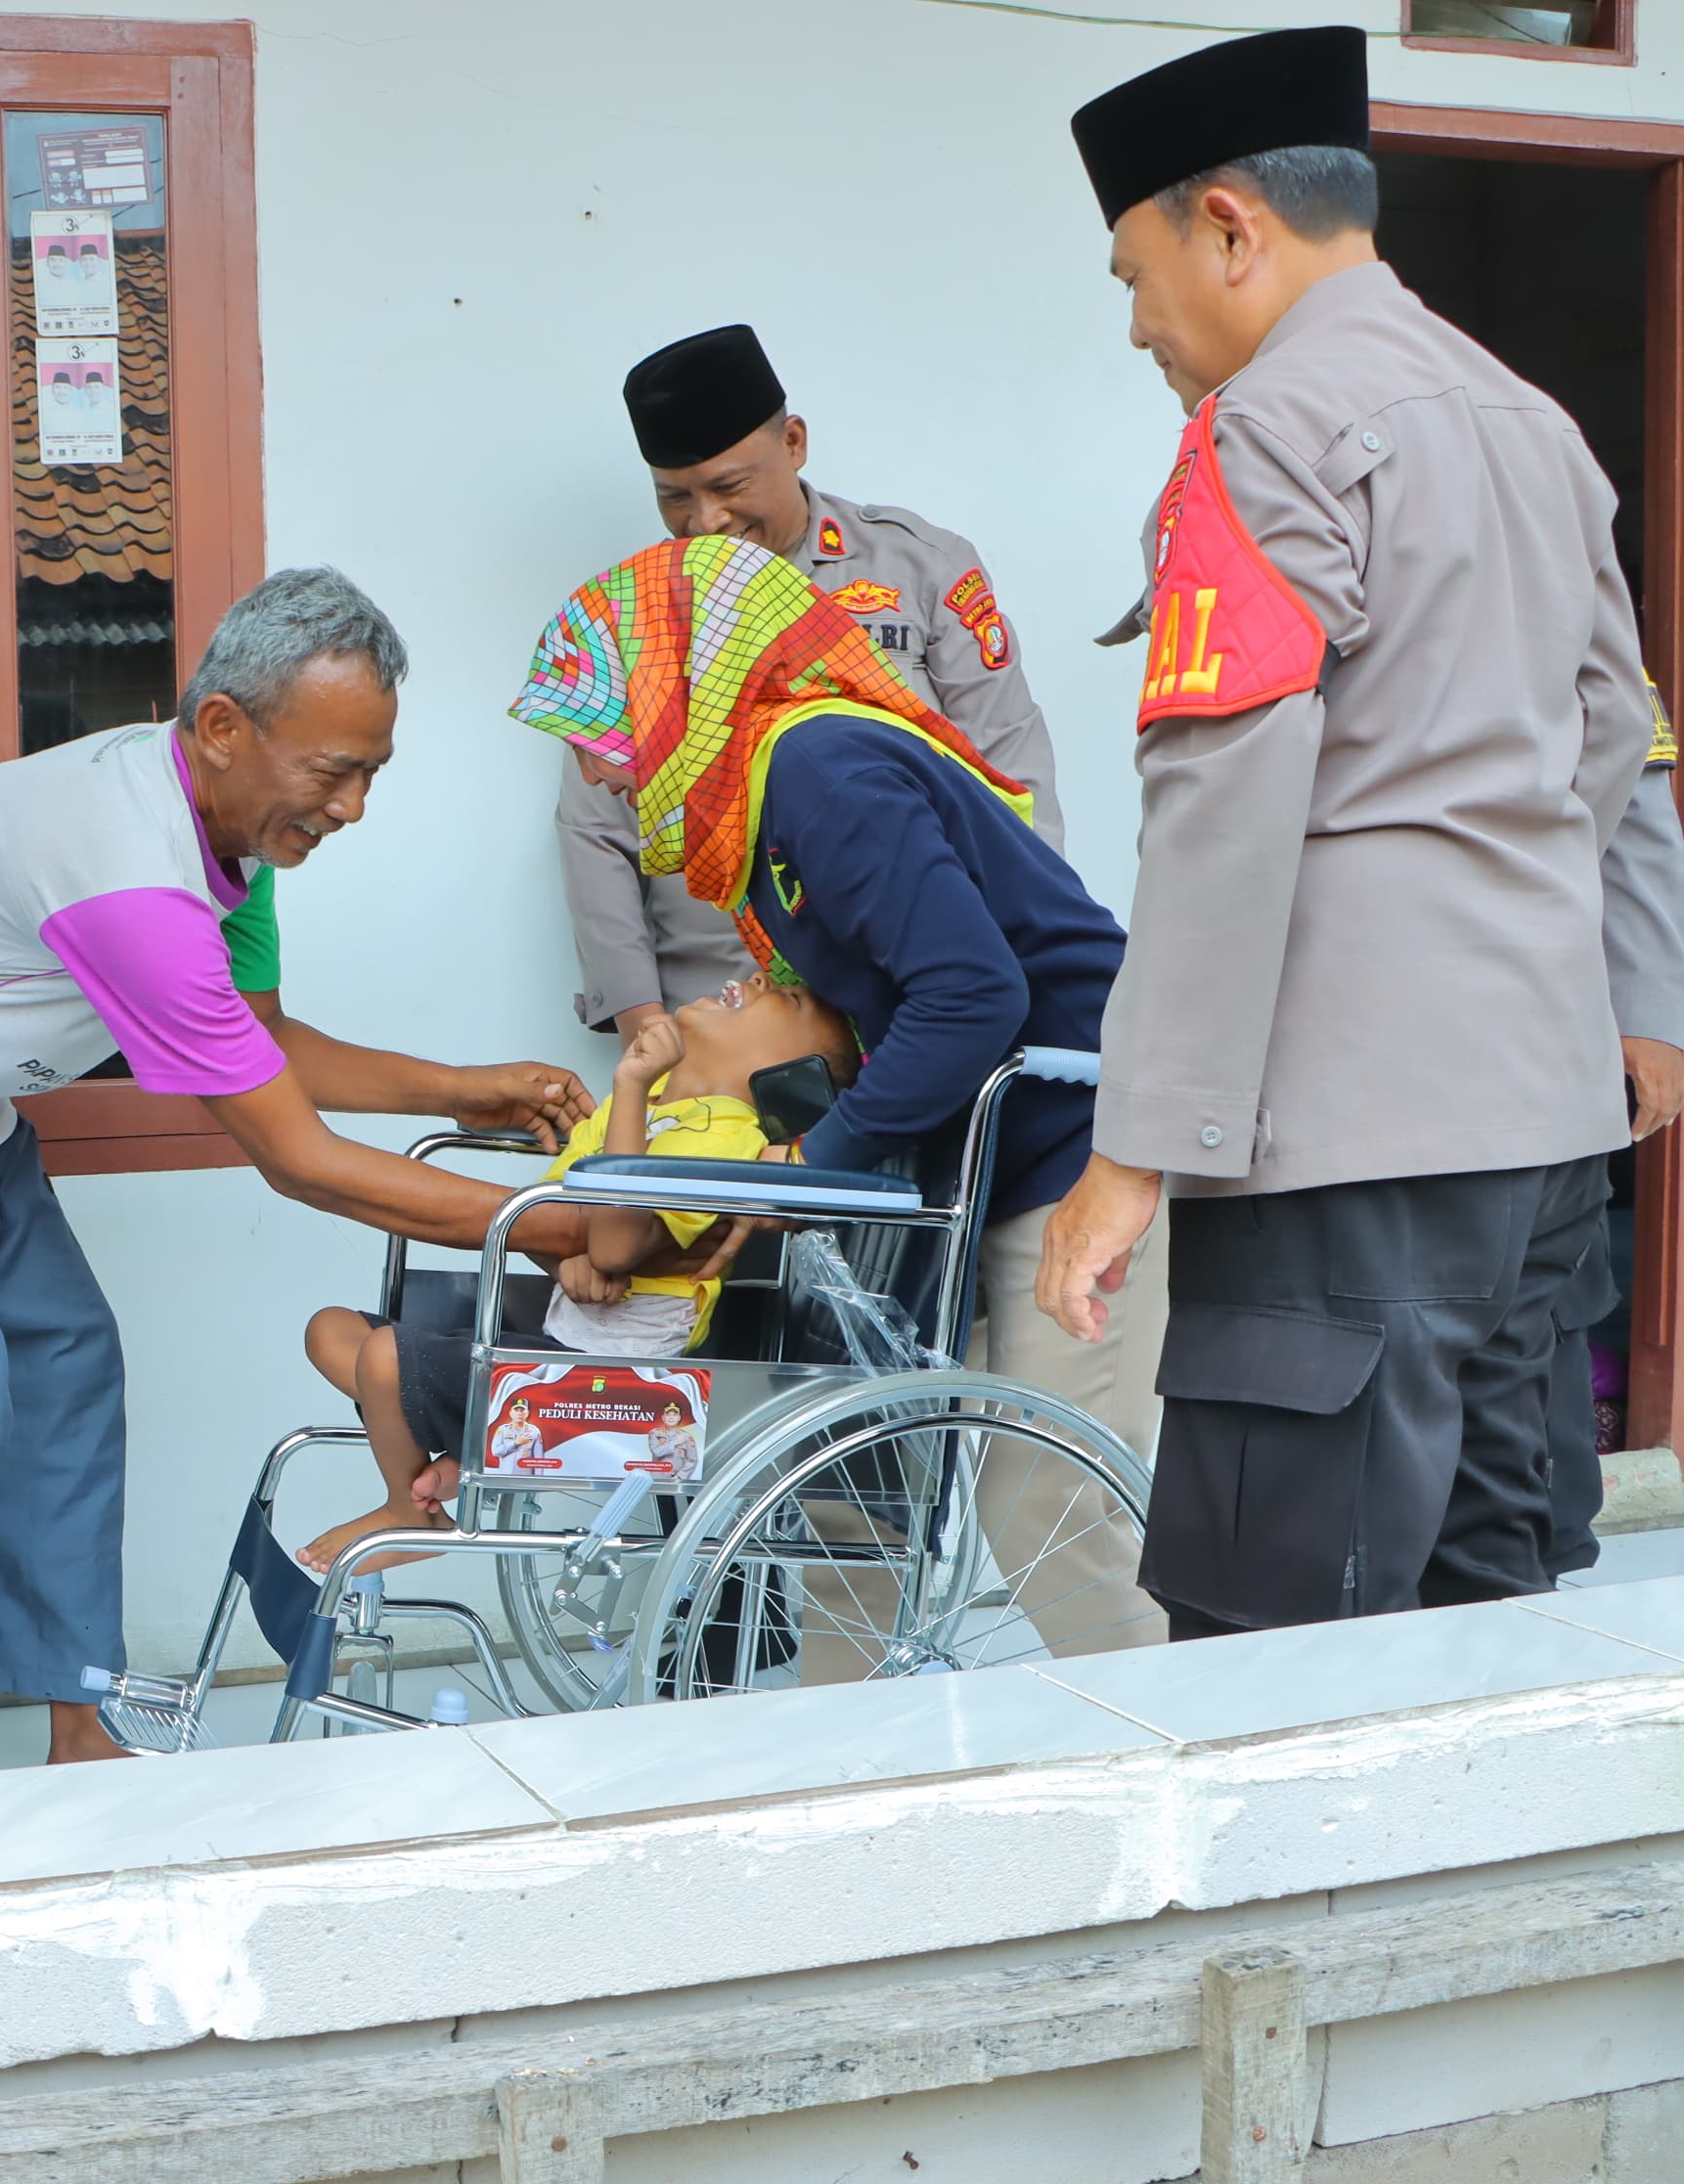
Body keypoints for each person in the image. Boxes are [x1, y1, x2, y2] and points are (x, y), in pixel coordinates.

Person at [0, 566, 613, 1781]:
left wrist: (462, 1086)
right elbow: (294, 1156)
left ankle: (81, 1720)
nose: (352, 806)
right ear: (221, 728)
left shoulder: (231, 841)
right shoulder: (130, 876)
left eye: (373, 773)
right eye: (333, 771)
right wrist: (552, 1226)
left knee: (67, 1362)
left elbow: (265, 1042)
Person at [1035, 28, 1657, 1638]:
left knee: (1282, 1631)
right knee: (1489, 1591)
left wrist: (1131, 1151)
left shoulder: (1261, 432)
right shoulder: (1532, 420)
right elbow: (1617, 744)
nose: (1135, 327)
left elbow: (1224, 810)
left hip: (1341, 1136)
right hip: (1541, 1121)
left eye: (1135, 271)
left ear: (1230, 227)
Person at [518, 531, 1167, 1656]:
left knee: (1041, 1510)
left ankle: (1191, 1770)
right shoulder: (765, 799)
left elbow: (972, 995)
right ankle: (836, 1791)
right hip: (943, 1161)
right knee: (848, 1506)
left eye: (603, 732)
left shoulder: (822, 773)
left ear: (682, 686)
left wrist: (816, 1162)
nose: (599, 771)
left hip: (1068, 1151)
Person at [560, 324, 1071, 1044]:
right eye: (674, 497)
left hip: (918, 998)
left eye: (728, 486)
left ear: (794, 442)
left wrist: (1010, 973)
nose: (705, 522)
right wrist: (646, 1023)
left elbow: (1011, 774)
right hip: (728, 1022)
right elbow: (595, 833)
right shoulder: (633, 612)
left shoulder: (923, 570)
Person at [295, 976, 859, 1574]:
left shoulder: (731, 1137)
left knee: (383, 1357)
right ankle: (460, 1463)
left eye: (792, 998)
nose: (758, 977)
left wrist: (632, 1084)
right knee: (330, 1331)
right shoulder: (644, 1103)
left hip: (625, 1377)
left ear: (792, 1072)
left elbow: (614, 1246)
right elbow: (546, 1216)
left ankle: (408, 1507)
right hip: (564, 1339)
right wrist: (567, 1260)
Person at [1542, 680, 1684, 1578]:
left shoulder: (1573, 588)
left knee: (1551, 1293)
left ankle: (1547, 1545)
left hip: (1547, 1031)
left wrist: (1646, 1012)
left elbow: (1637, 803)